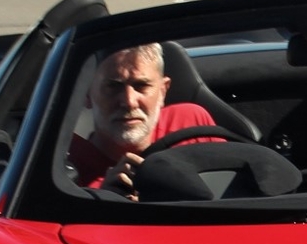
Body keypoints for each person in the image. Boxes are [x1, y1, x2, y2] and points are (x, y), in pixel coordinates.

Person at [67, 43, 222, 194]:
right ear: (86, 94)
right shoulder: (63, 164)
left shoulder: (189, 123)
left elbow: (232, 186)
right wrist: (104, 200)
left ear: (162, 91)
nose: (129, 102)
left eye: (141, 86)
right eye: (113, 86)